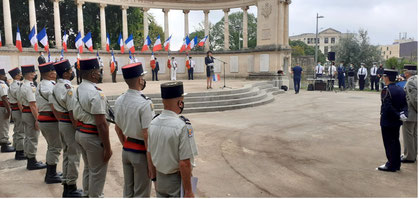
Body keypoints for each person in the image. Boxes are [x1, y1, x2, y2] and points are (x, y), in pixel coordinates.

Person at [148, 82, 198, 197]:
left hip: (160, 179)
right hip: (175, 181)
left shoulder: (153, 123)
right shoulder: (182, 126)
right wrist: (188, 191)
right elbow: (184, 163)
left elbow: (149, 153)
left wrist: (154, 179)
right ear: (180, 102)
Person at [114, 62, 155, 197]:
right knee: (141, 193)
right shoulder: (144, 103)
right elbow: (146, 134)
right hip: (140, 152)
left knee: (128, 191)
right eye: (142, 77)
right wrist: (151, 164)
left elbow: (117, 128)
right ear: (139, 79)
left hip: (127, 149)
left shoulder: (119, 100)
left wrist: (126, 144)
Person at [73, 58, 112, 197]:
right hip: (92, 135)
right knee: (97, 173)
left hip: (81, 133)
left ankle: (87, 195)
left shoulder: (78, 89)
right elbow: (101, 123)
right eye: (98, 71)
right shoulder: (96, 92)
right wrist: (107, 147)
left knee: (89, 168)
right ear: (93, 74)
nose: (100, 73)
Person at [51, 59, 83, 197]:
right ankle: (71, 186)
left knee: (66, 154)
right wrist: (76, 126)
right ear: (65, 74)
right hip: (69, 123)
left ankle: (66, 182)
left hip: (62, 122)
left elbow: (53, 106)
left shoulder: (56, 86)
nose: (72, 72)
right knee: (74, 155)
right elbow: (71, 110)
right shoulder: (67, 88)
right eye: (70, 70)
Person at [36, 62, 63, 184]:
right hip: (50, 119)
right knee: (55, 147)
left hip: (45, 119)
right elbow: (55, 103)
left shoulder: (43, 85)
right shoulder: (49, 86)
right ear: (51, 73)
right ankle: (51, 174)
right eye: (54, 71)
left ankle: (52, 172)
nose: (55, 73)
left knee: (52, 146)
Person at [377, 69, 408, 172]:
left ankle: (391, 164)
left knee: (389, 143)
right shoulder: (400, 89)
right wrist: (403, 114)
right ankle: (396, 164)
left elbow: (387, 107)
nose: (383, 78)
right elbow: (405, 104)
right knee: (395, 141)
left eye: (384, 76)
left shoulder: (386, 90)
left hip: (388, 121)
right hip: (397, 121)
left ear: (386, 78)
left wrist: (398, 114)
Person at [19, 64, 47, 170]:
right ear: (30, 74)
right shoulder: (30, 86)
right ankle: (31, 161)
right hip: (30, 114)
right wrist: (37, 119)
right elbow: (33, 104)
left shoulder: (23, 85)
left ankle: (29, 157)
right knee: (32, 138)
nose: (35, 74)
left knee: (28, 137)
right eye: (33, 73)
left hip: (25, 113)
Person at [401, 64, 417, 163]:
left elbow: (414, 100)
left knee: (408, 135)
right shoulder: (416, 79)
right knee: (414, 135)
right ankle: (413, 154)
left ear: (408, 72)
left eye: (405, 71)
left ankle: (409, 156)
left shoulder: (411, 82)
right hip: (415, 113)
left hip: (411, 113)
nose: (404, 72)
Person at [8, 67, 26, 159]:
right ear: (16, 76)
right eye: (20, 73)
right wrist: (23, 111)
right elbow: (19, 100)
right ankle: (20, 152)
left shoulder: (14, 85)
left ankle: (16, 147)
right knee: (20, 131)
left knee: (17, 130)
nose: (21, 75)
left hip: (15, 110)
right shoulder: (16, 86)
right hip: (18, 110)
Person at [0, 69, 15, 153]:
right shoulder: (2, 85)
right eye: (3, 75)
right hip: (3, 107)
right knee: (4, 126)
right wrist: (9, 111)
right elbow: (4, 98)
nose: (5, 76)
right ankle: (4, 145)